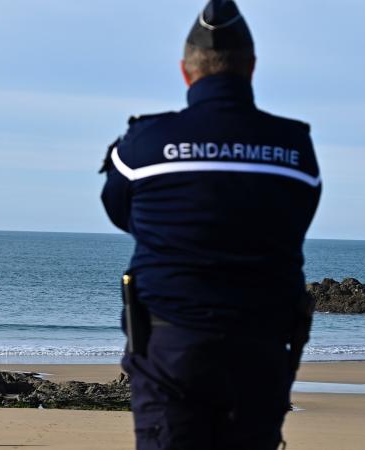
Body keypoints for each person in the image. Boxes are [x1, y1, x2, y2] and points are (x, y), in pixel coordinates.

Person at [99, 1, 321, 449]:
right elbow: (298, 216)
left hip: (171, 350)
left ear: (186, 71)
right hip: (260, 350)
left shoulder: (143, 144)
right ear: (251, 68)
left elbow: (121, 213)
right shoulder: (295, 149)